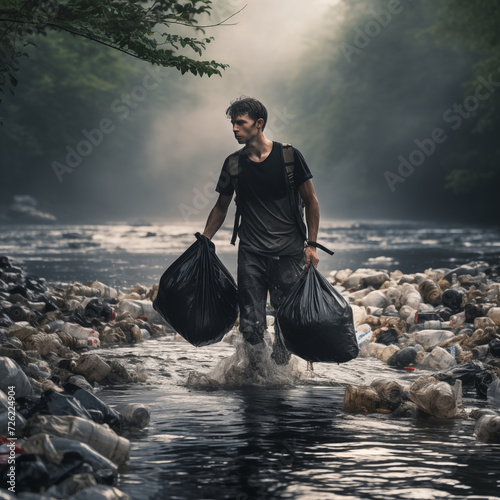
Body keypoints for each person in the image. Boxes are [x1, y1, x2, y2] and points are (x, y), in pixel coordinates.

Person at [202, 96, 322, 366]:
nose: (234, 128)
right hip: (251, 254)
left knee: (286, 319)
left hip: (289, 253)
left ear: (258, 124)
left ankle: (280, 372)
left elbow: (312, 201)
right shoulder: (233, 163)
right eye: (233, 123)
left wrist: (311, 246)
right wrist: (204, 240)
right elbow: (221, 206)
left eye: (240, 123)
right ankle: (258, 375)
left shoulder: (289, 157)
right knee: (250, 324)